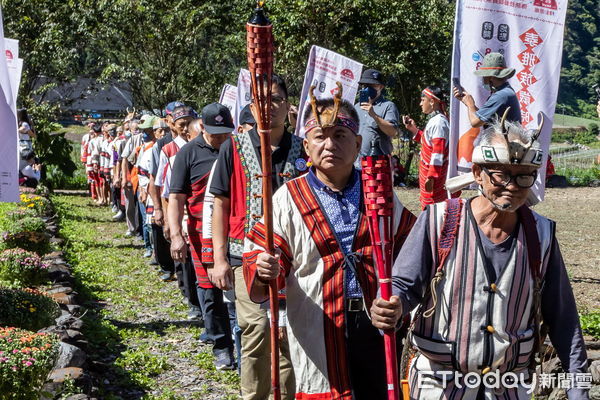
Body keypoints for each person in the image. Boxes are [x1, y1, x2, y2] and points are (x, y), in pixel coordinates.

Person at [386, 119, 589, 399]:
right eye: (501, 174)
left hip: (508, 387)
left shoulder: (541, 235)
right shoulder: (439, 221)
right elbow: (404, 286)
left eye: (524, 175)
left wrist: (579, 388)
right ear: (478, 173)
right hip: (439, 384)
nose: (513, 186)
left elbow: (564, 321)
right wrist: (394, 306)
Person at [243, 95, 416, 399]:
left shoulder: (379, 191)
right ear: (307, 146)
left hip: (377, 321)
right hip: (318, 322)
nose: (330, 144)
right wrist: (265, 267)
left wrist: (399, 298)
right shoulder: (287, 199)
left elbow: (410, 251)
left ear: (358, 143)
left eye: (340, 135)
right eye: (320, 136)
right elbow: (266, 256)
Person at [209, 74, 304, 399]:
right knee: (257, 331)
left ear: (289, 105)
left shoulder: (304, 148)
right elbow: (219, 204)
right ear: (252, 105)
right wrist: (219, 259)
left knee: (291, 336)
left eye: (277, 99)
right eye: (262, 100)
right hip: (244, 258)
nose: (270, 107)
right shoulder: (233, 148)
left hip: (295, 262)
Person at [169, 103, 235, 370]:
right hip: (201, 233)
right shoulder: (188, 153)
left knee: (238, 290)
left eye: (225, 132)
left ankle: (240, 342)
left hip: (236, 230)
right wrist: (176, 235)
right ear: (203, 127)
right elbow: (176, 197)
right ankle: (221, 345)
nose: (221, 138)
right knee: (210, 291)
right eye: (216, 132)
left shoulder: (237, 150)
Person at [403, 86, 451, 209]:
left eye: (422, 100)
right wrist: (413, 130)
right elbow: (428, 143)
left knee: (435, 210)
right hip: (428, 173)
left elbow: (437, 153)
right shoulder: (436, 121)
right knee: (430, 208)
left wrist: (431, 177)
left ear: (432, 101)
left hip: (434, 178)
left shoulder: (439, 123)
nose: (420, 104)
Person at [453, 52, 521, 127]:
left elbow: (475, 122)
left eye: (484, 76)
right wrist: (466, 101)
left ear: (490, 77)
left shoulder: (500, 96)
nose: (483, 79)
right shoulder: (505, 92)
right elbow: (483, 118)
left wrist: (470, 104)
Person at [354, 68, 400, 160]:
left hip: (378, 163)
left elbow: (393, 132)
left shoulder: (388, 106)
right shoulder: (357, 107)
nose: (368, 88)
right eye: (365, 85)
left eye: (372, 85)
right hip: (356, 163)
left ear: (381, 87)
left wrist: (374, 115)